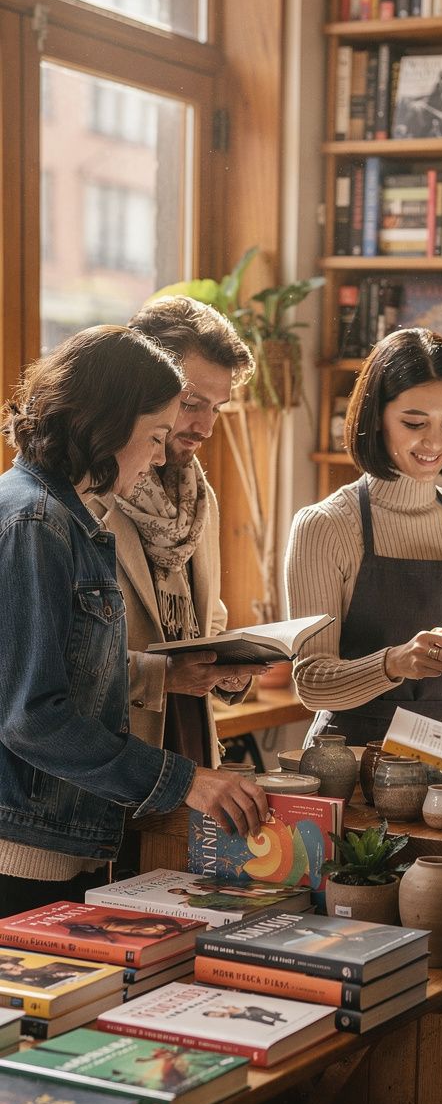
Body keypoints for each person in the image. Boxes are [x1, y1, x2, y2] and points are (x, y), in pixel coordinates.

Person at [0, 325, 269, 915]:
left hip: (63, 832)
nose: (158, 456)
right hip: (26, 851)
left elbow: (74, 675)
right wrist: (185, 780)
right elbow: (32, 718)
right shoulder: (36, 523)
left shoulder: (63, 518)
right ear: (108, 424)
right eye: (154, 437)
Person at [284, 327, 442, 746]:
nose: (435, 441)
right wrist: (394, 663)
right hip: (350, 757)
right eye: (414, 422)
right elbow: (312, 684)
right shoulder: (326, 525)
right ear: (375, 419)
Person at [90, 296, 260, 769]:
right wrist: (163, 675)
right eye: (190, 404)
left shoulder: (198, 498)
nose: (205, 427)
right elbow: (59, 663)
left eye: (217, 409)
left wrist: (228, 668)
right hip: (114, 761)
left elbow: (208, 618)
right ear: (140, 388)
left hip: (190, 747)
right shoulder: (83, 499)